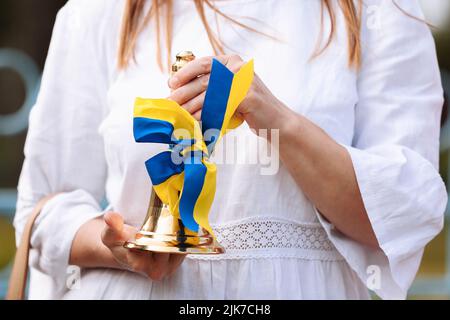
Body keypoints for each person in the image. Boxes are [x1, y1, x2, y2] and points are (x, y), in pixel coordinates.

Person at [15, 0, 447, 299]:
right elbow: (42, 208)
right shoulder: (105, 10)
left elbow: (402, 213)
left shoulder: (376, 11)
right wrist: (119, 246)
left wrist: (279, 121)